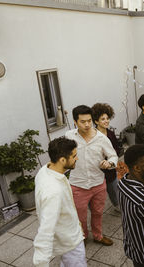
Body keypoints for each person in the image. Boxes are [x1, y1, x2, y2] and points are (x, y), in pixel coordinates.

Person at [65, 105, 118, 246]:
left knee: (98, 213)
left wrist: (109, 163)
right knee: (80, 216)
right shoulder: (69, 136)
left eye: (89, 120)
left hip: (98, 183)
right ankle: (82, 236)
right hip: (77, 185)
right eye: (83, 121)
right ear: (75, 122)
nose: (87, 124)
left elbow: (113, 156)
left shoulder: (102, 138)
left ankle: (98, 236)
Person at [33, 137, 86, 267]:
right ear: (62, 160)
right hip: (70, 243)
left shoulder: (45, 170)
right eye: (74, 156)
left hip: (67, 234)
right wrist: (41, 263)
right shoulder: (53, 191)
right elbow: (45, 230)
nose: (77, 159)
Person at [92, 103, 120, 209]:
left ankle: (117, 205)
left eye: (107, 118)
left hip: (110, 169)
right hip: (97, 169)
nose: (106, 121)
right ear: (96, 121)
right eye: (102, 119)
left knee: (114, 189)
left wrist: (110, 161)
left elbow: (116, 150)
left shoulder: (111, 134)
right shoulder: (93, 135)